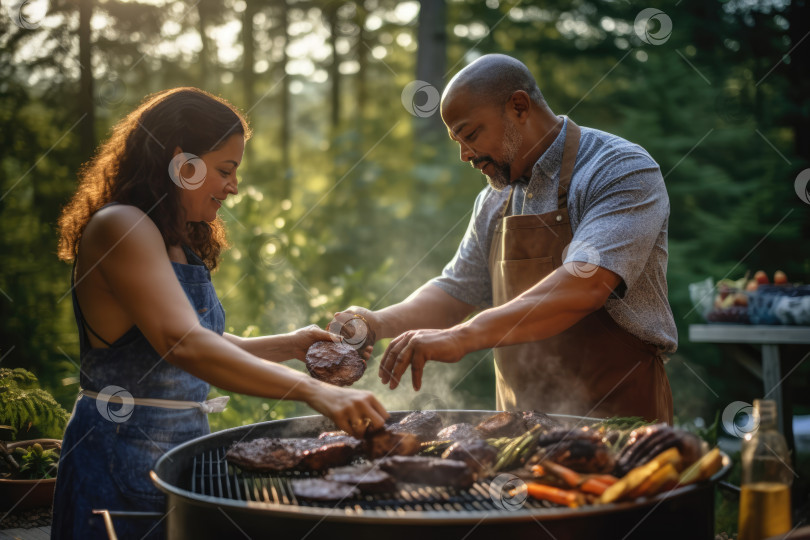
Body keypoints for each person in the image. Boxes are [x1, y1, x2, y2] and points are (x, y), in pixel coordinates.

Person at [53, 87, 388, 539]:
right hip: (118, 452)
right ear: (181, 162)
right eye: (225, 170)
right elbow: (182, 343)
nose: (233, 186)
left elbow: (191, 337)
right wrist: (315, 392)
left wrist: (290, 345)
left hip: (177, 450)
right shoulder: (122, 226)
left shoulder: (172, 239)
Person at [336, 54, 676, 424]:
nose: (465, 154)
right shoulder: (495, 198)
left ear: (518, 106)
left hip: (620, 424)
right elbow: (455, 291)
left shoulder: (619, 169)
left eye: (471, 134)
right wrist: (377, 323)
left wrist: (462, 337)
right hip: (519, 430)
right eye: (457, 141)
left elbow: (586, 283)